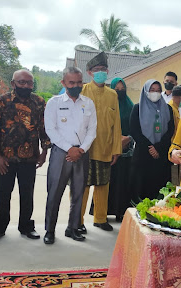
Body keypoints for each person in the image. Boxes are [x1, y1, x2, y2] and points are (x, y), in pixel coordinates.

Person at [0, 69, 50, 243]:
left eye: (29, 83)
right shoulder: (1, 102)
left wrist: (44, 152)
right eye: (22, 82)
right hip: (5, 160)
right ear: (13, 83)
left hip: (30, 159)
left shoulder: (39, 102)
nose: (26, 86)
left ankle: (26, 227)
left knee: (27, 194)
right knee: (3, 195)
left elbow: (44, 129)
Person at [43, 67, 97, 244]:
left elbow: (92, 130)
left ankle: (73, 228)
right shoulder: (54, 102)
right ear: (63, 83)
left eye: (79, 82)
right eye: (71, 82)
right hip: (61, 153)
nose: (76, 85)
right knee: (54, 193)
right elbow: (50, 129)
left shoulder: (88, 103)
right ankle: (50, 230)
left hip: (82, 153)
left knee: (78, 193)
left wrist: (81, 149)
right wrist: (69, 149)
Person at [79, 52, 122, 232]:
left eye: (103, 69)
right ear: (89, 72)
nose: (101, 72)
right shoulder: (82, 91)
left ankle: (100, 218)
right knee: (82, 186)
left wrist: (116, 149)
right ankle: (77, 221)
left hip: (105, 148)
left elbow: (117, 123)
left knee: (103, 185)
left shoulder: (112, 95)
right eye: (97, 70)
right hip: (84, 149)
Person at [129, 79, 175, 200]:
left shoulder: (168, 109)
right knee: (141, 193)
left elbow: (170, 130)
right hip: (143, 156)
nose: (155, 93)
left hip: (161, 157)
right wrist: (150, 148)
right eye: (152, 90)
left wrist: (158, 148)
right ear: (145, 91)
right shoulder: (137, 109)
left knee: (160, 193)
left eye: (158, 90)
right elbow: (134, 130)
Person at [107, 77, 135, 222]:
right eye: (116, 89)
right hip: (107, 147)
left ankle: (120, 212)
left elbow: (135, 127)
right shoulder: (107, 105)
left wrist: (128, 138)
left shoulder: (130, 106)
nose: (119, 92)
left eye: (122, 89)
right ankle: (103, 212)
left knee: (123, 180)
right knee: (107, 181)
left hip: (126, 149)